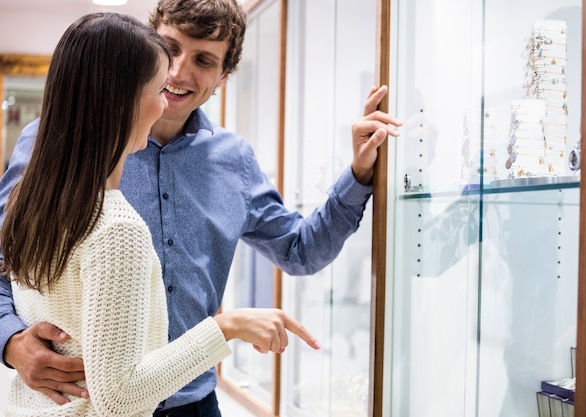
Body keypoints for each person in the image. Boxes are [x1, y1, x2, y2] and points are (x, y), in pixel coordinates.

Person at [0, 0, 402, 416]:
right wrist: (10, 340)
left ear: (224, 75)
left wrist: (359, 171)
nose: (177, 71)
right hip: (83, 403)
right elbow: (6, 254)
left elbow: (302, 251)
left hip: (192, 404)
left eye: (204, 59)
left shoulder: (235, 161)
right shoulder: (56, 137)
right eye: (170, 48)